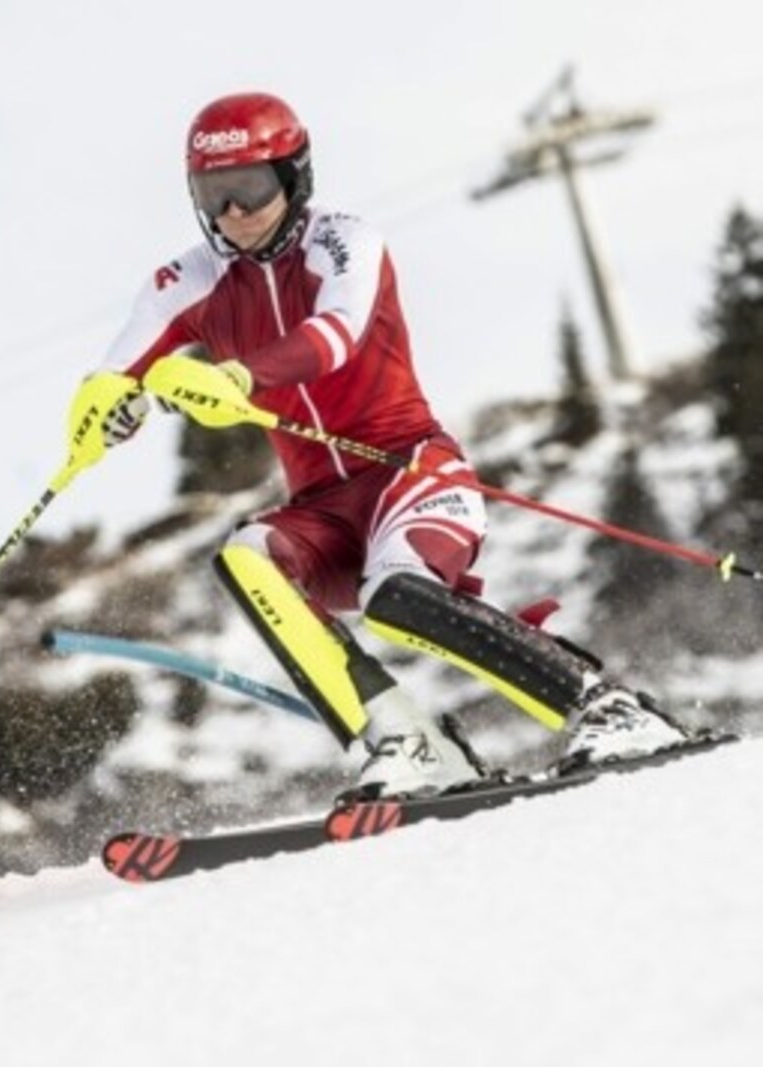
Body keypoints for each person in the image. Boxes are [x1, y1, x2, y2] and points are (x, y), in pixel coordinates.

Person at [70, 91, 686, 800]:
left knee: (397, 594)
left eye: (250, 188)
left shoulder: (344, 241)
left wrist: (241, 375)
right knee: (245, 556)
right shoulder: (190, 279)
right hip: (322, 510)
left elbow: (336, 334)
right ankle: (404, 738)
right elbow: (112, 375)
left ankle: (607, 706)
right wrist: (104, 414)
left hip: (411, 470)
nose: (233, 214)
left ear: (294, 176)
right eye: (213, 194)